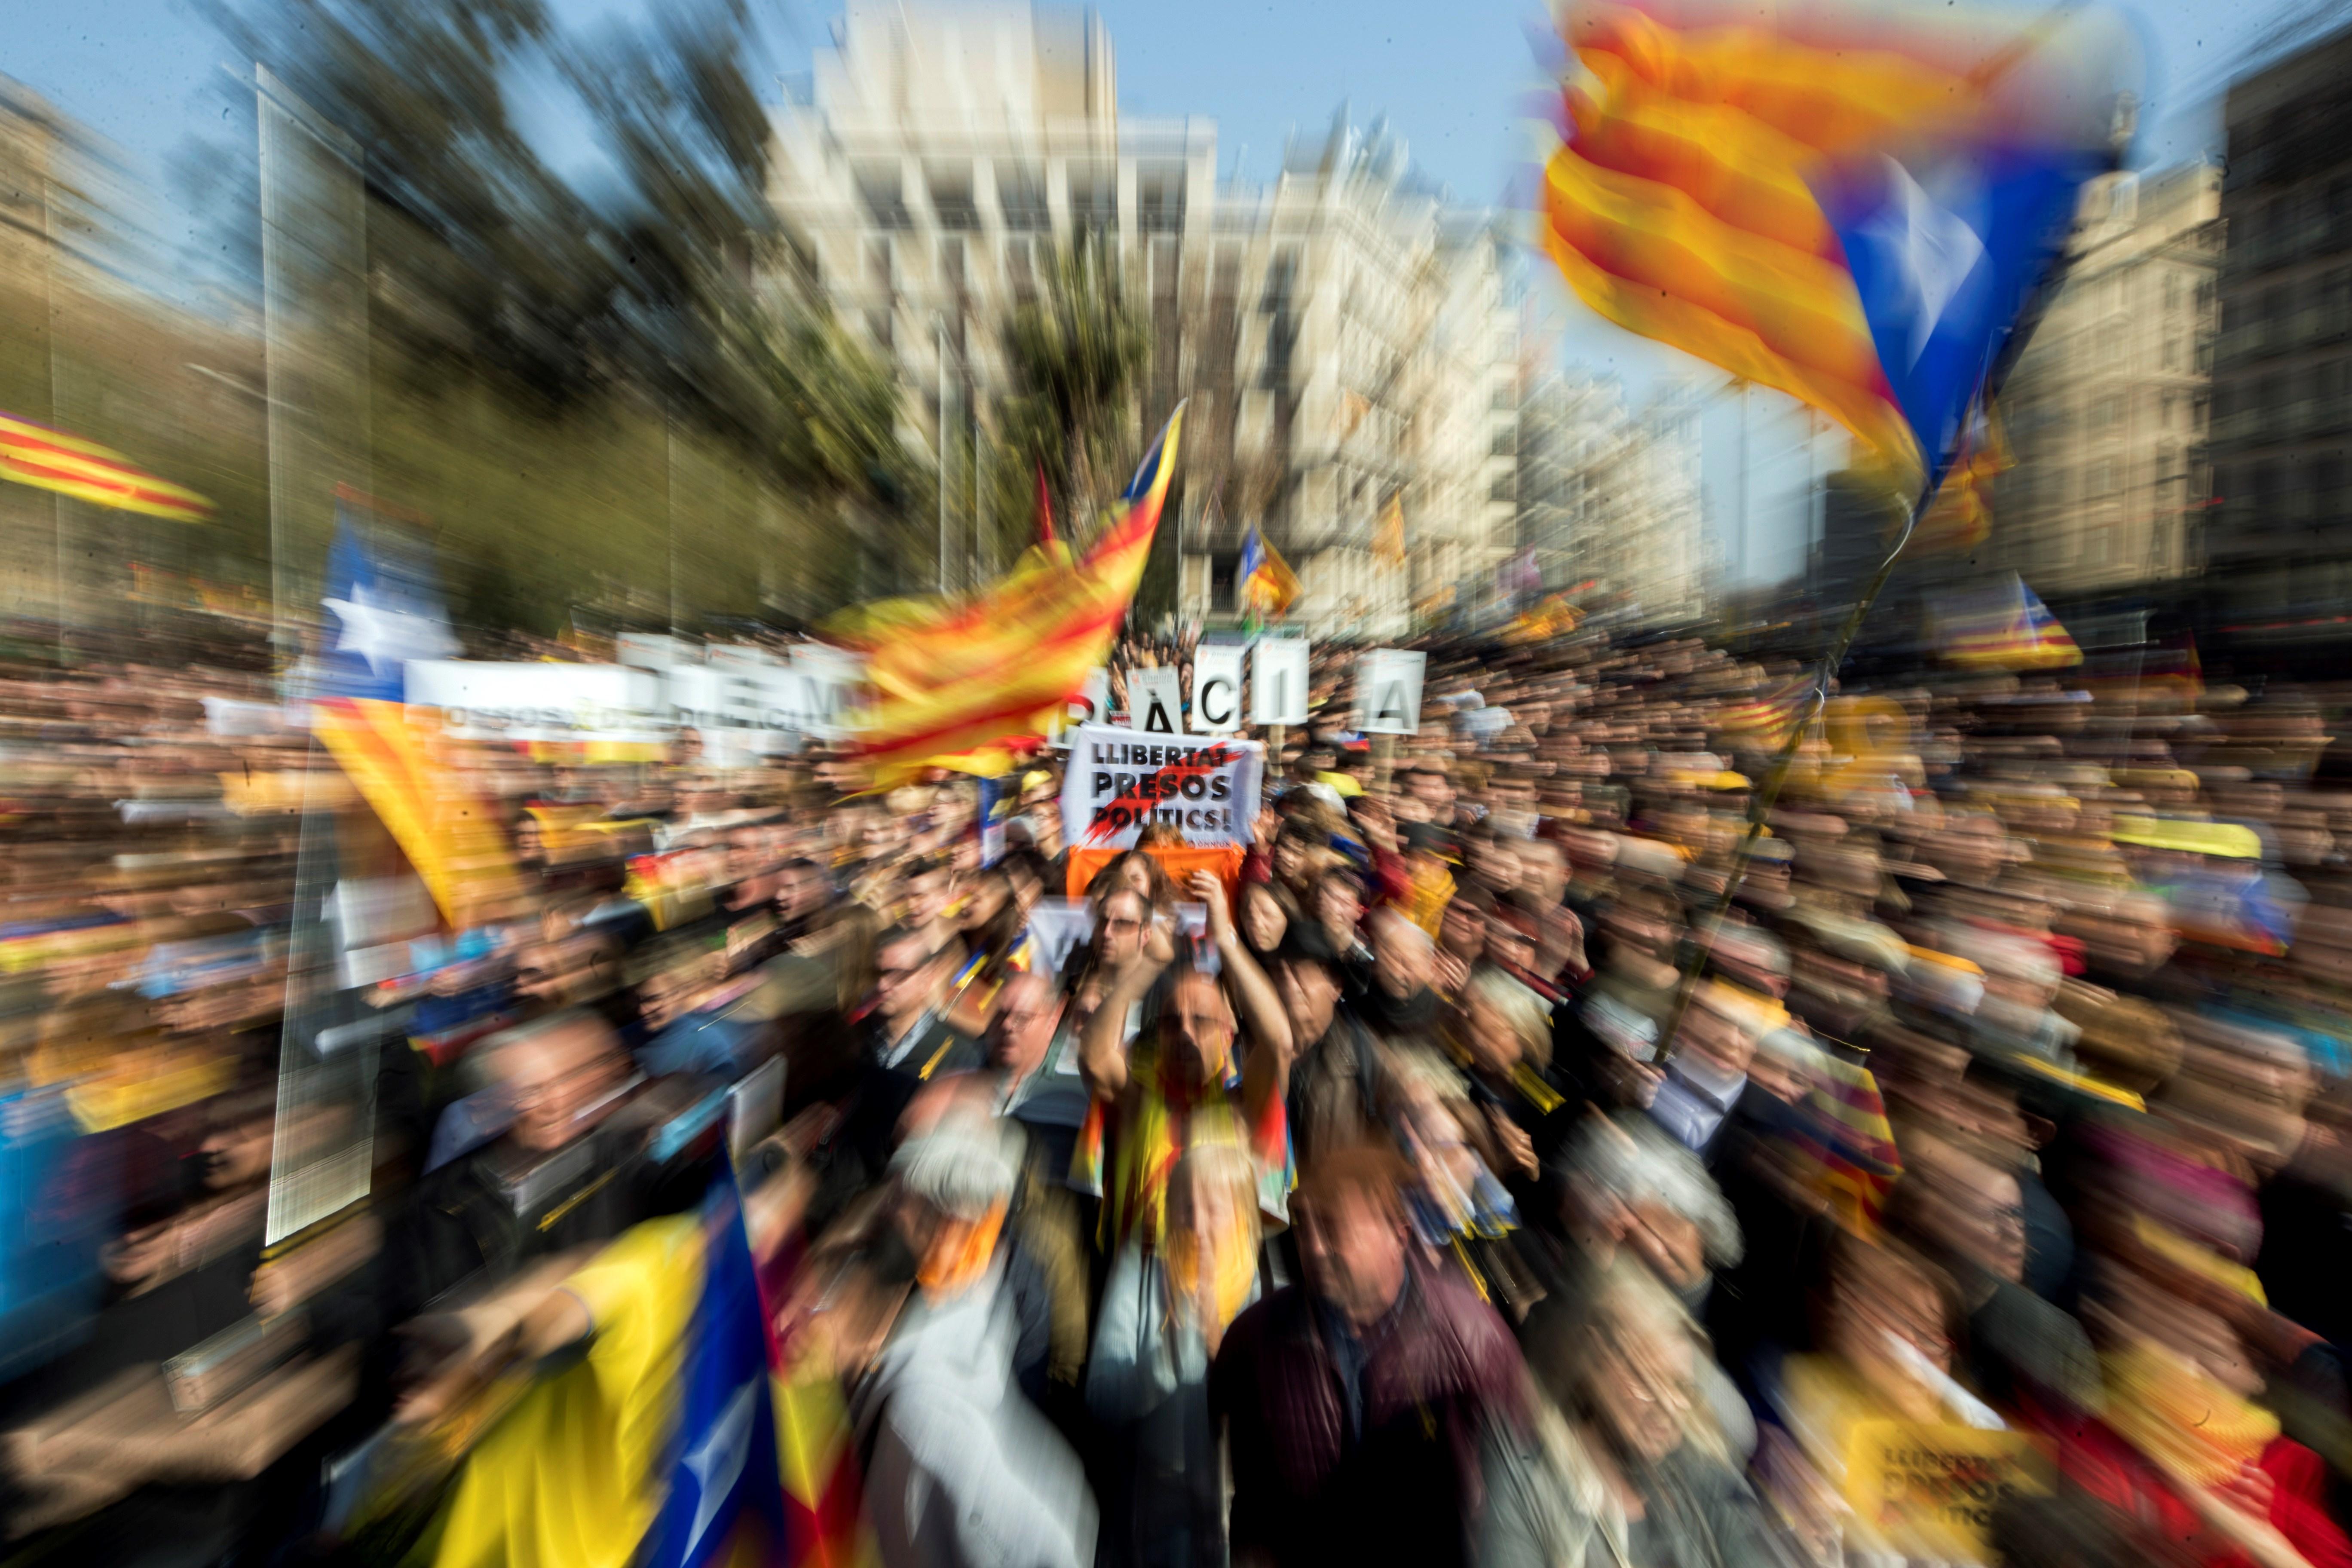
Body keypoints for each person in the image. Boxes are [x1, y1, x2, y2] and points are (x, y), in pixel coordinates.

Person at [1210, 1144, 1528, 1568]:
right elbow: (1249, 1503)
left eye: (1333, 1228)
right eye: (1303, 1227)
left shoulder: (1476, 1339)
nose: (1314, 1247)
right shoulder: (1255, 1340)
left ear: (1398, 1234)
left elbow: (1521, 1496)